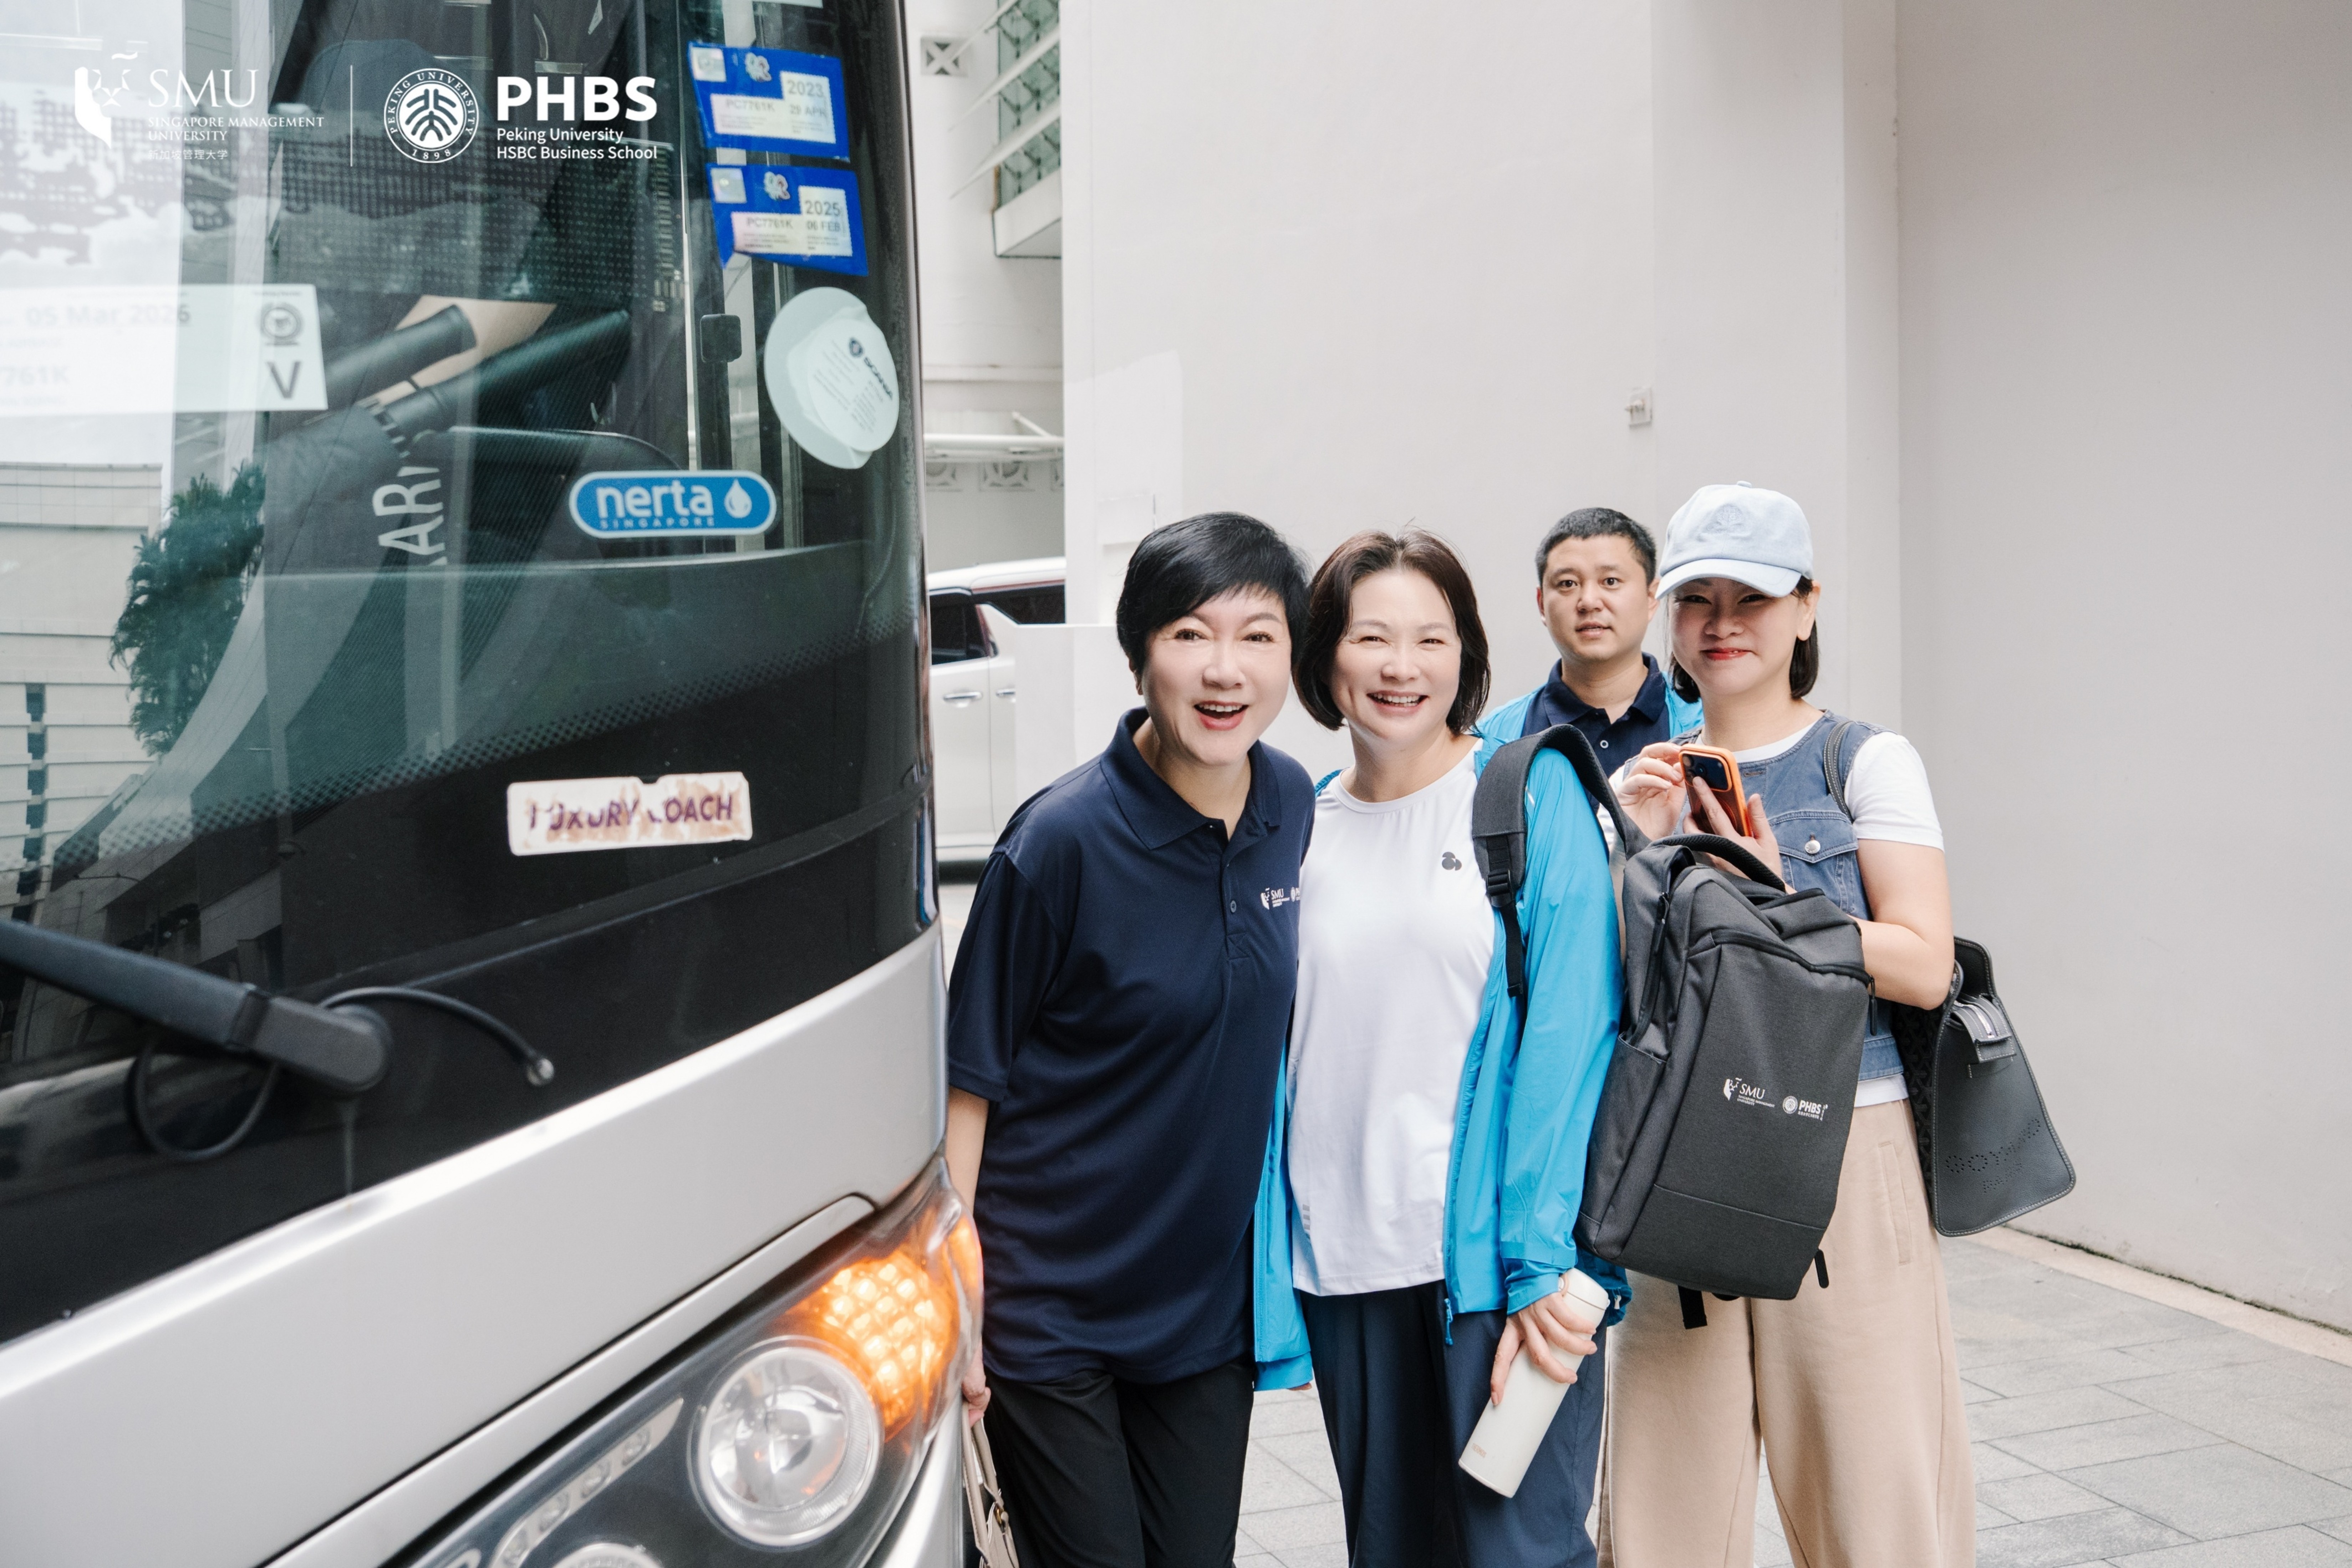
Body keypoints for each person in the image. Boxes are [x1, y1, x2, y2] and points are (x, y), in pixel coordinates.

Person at [1598, 483, 1972, 1568]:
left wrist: (1777, 899)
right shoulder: (1641, 784)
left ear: (1806, 608)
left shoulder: (1861, 759)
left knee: (1876, 1491)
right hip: (1677, 1154)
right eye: (1696, 597)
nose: (1721, 620)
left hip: (1842, 1145)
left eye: (1751, 597)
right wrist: (1634, 848)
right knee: (1663, 1509)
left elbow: (1921, 962)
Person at [945, 512, 1316, 1568]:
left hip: (1202, 1310)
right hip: (1049, 1306)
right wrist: (960, 1297)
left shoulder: (1290, 803)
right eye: (1190, 634)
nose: (1223, 669)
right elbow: (967, 1082)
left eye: (1257, 636)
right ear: (1137, 651)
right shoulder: (1057, 841)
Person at [1267, 528, 1627, 1568]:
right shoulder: (1295, 824)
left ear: (1465, 655)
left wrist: (1544, 1269)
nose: (1399, 666)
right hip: (1345, 1268)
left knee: (1519, 1553)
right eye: (1369, 637)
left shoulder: (1523, 795)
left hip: (1501, 1275)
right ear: (1324, 659)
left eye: (1429, 638)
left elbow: (1575, 1033)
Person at [1483, 508, 1700, 761]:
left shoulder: (1708, 722)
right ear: (1542, 604)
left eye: (1610, 581)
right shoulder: (1493, 740)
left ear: (1651, 597)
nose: (1589, 601)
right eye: (1568, 584)